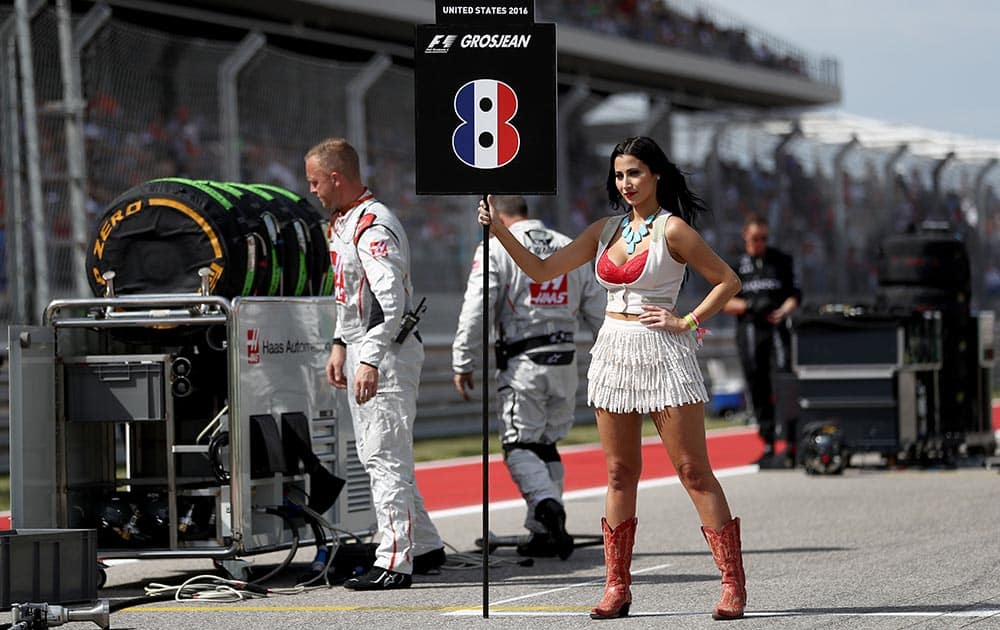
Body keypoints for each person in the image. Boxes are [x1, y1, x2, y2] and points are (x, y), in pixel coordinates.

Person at [477, 136, 747, 620]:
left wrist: (686, 322)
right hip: (614, 352)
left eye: (636, 173)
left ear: (656, 175)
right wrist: (499, 230)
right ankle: (616, 586)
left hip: (665, 352)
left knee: (692, 471)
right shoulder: (604, 230)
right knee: (620, 474)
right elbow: (541, 270)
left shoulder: (675, 230)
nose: (626, 183)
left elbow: (728, 280)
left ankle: (731, 584)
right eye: (620, 175)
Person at [305, 138, 445, 590]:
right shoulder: (342, 222)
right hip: (366, 349)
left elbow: (390, 301)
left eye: (315, 182)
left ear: (336, 178)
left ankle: (394, 561)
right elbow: (350, 299)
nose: (312, 191)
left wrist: (368, 358)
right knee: (380, 454)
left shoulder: (373, 224)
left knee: (384, 458)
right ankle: (423, 546)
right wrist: (339, 345)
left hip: (387, 352)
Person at [452, 195, 605, 560]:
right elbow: (598, 308)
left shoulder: (495, 246)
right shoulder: (568, 244)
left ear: (496, 213)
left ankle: (546, 505)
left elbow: (478, 307)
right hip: (565, 360)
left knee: (519, 444)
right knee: (546, 443)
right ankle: (543, 533)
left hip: (524, 362)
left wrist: (463, 359)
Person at [722, 213, 801, 468]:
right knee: (758, 388)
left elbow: (795, 295)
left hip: (778, 331)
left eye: (764, 238)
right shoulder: (734, 265)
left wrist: (784, 311)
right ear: (745, 234)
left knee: (784, 384)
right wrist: (751, 305)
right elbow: (723, 302)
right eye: (756, 238)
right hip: (750, 333)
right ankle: (768, 443)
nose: (760, 243)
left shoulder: (781, 260)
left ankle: (792, 442)